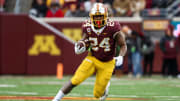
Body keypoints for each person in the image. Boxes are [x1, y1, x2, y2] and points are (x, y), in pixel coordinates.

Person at [52, 3, 127, 101]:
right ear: (91, 17)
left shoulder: (113, 27)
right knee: (75, 80)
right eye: (95, 17)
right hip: (92, 58)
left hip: (108, 62)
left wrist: (121, 56)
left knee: (97, 94)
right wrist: (81, 45)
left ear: (106, 17)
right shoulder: (87, 26)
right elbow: (85, 40)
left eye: (100, 17)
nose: (98, 20)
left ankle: (105, 89)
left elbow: (123, 45)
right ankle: (55, 99)